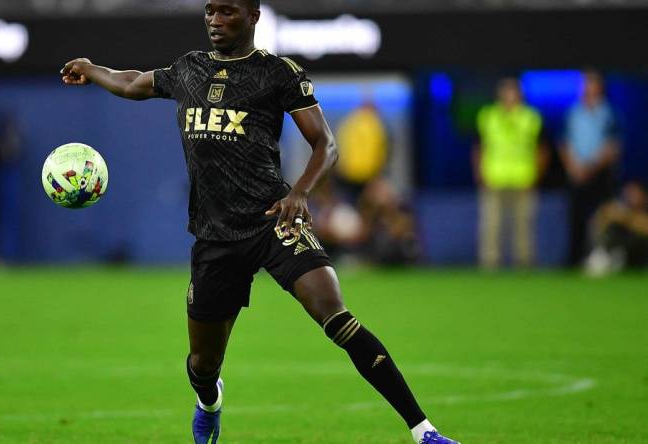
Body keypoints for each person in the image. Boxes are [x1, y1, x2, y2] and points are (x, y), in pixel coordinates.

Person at [60, 1, 459, 443]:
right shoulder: (189, 69)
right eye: (210, 11)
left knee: (337, 317)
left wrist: (301, 192)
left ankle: (424, 431)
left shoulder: (278, 73)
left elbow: (325, 144)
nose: (214, 19)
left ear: (253, 16)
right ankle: (210, 401)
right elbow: (133, 82)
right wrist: (93, 68)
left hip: (274, 220)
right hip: (215, 235)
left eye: (227, 12)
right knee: (203, 364)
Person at [473, 78, 547, 269]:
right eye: (506, 92)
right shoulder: (488, 116)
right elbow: (479, 147)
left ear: (520, 95)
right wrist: (480, 173)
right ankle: (490, 265)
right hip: (494, 179)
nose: (510, 96)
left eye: (513, 92)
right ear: (500, 94)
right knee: (491, 226)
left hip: (523, 179)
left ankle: (524, 264)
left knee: (523, 227)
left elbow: (542, 150)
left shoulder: (531, 118)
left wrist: (537, 175)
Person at [560, 71, 620, 266]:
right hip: (576, 174)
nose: (589, 87)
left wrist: (592, 167)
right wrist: (574, 168)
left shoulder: (609, 113)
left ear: (600, 87)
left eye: (593, 83)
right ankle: (574, 259)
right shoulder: (573, 112)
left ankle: (603, 257)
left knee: (603, 218)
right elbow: (564, 143)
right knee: (575, 218)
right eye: (586, 83)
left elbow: (613, 145)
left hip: (600, 174)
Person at [585, 181, 648, 276]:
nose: (632, 196)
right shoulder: (617, 207)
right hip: (618, 252)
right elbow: (603, 218)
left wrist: (627, 218)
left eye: (636, 193)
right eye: (630, 192)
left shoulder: (641, 212)